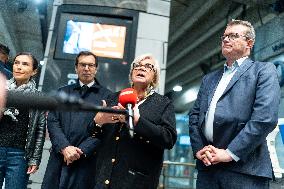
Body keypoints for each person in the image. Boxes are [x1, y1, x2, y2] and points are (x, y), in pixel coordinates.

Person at [188, 19, 280, 189]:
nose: (225, 39)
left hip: (245, 170)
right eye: (224, 36)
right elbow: (194, 117)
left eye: (233, 36)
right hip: (208, 167)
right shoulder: (209, 79)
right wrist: (199, 149)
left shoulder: (263, 70)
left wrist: (230, 153)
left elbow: (264, 118)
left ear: (249, 43)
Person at [92, 53, 177, 189]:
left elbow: (169, 139)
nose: (141, 68)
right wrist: (98, 122)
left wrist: (138, 122)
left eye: (148, 66)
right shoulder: (113, 98)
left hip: (137, 181)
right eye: (137, 65)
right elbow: (92, 134)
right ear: (131, 72)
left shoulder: (163, 103)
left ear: (154, 76)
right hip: (104, 178)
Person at [42, 51, 112, 189]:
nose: (86, 68)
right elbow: (52, 121)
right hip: (59, 157)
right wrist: (65, 147)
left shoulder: (108, 96)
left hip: (87, 161)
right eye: (82, 64)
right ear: (76, 68)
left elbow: (106, 130)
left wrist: (80, 151)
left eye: (91, 65)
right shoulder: (61, 92)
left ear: (96, 68)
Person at [0, 52, 46, 189]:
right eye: (16, 63)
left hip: (20, 155)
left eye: (25, 64)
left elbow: (40, 130)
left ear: (34, 71)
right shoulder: (2, 91)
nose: (19, 67)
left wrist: (35, 158)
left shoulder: (38, 97)